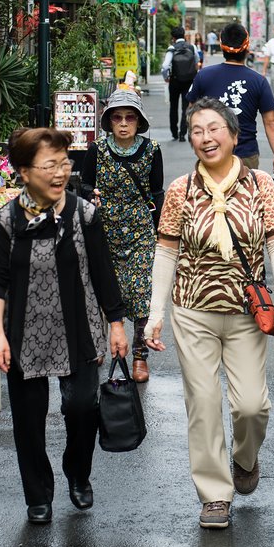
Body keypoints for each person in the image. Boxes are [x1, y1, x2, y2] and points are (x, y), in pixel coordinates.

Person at [144, 97, 274, 530]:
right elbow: (166, 252)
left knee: (251, 406)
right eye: (196, 130)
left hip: (246, 312)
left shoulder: (260, 185)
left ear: (233, 134)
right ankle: (214, 494)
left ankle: (245, 457)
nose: (206, 138)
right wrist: (155, 314)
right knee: (204, 403)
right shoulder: (180, 190)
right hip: (192, 311)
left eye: (214, 129)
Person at [0, 127, 129, 525]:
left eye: (64, 163)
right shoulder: (6, 221)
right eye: (49, 165)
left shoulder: (84, 214)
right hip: (23, 334)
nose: (60, 172)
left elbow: (103, 271)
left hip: (79, 326)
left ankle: (78, 472)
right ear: (23, 172)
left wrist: (116, 323)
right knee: (28, 421)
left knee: (83, 407)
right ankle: (38, 494)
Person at [80, 88, 164, 383]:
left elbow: (156, 193)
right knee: (103, 290)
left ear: (139, 121)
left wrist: (160, 232)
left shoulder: (152, 150)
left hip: (141, 230)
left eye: (130, 117)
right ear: (110, 121)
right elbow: (85, 185)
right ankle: (101, 346)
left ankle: (140, 355)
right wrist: (92, 194)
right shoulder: (96, 150)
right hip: (105, 230)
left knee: (142, 293)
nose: (124, 123)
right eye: (118, 117)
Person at [185, 22, 274, 175]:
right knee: (244, 197)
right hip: (246, 155)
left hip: (211, 151)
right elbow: (270, 121)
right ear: (247, 48)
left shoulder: (204, 76)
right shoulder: (258, 81)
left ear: (221, 45)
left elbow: (191, 113)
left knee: (212, 196)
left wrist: (199, 140)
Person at [161, 27, 200, 141]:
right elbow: (197, 61)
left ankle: (174, 132)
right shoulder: (192, 47)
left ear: (173, 38)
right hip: (189, 81)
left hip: (175, 81)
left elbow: (165, 66)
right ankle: (183, 133)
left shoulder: (172, 48)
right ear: (184, 35)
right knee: (186, 107)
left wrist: (166, 77)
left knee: (173, 107)